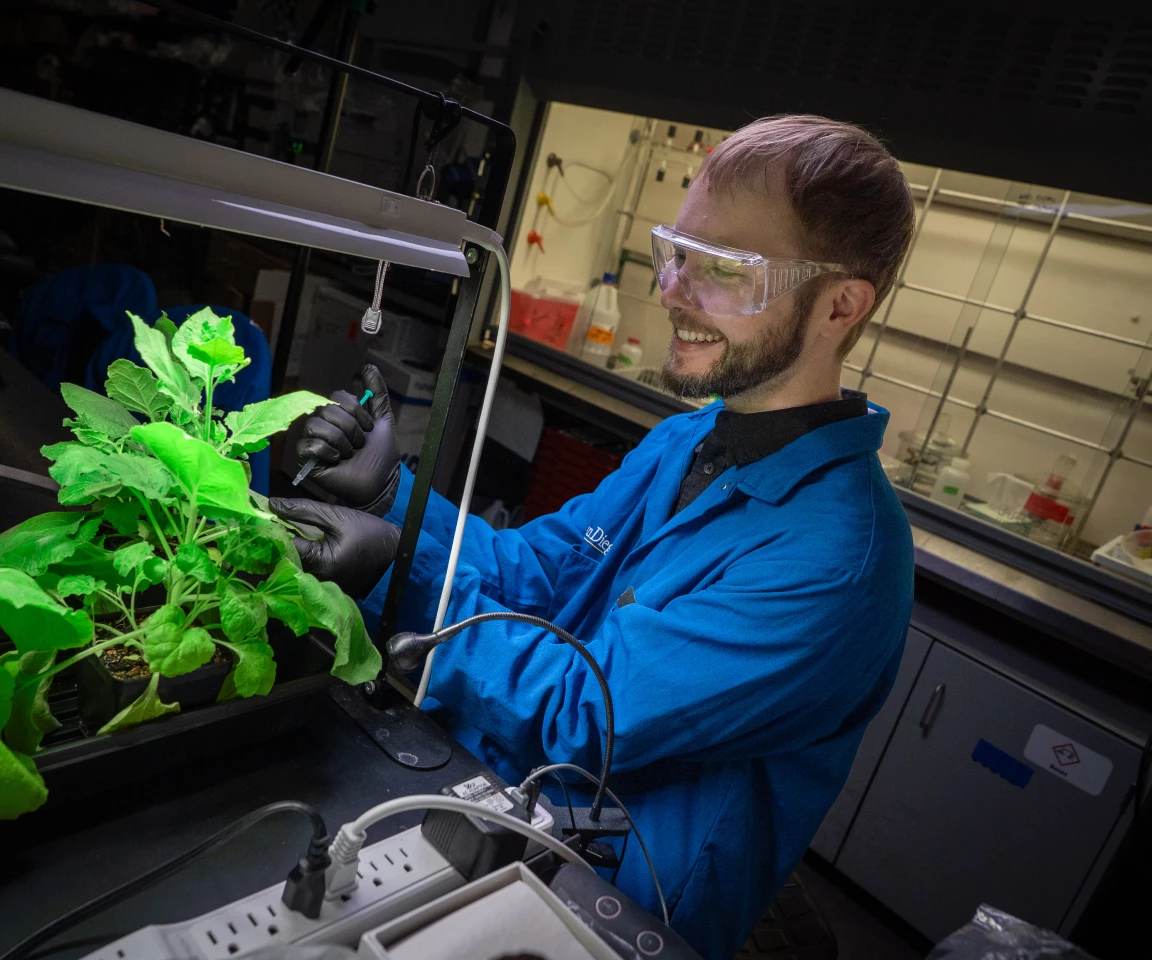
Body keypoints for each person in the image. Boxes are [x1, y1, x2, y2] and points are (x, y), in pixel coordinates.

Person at [270, 115, 918, 960]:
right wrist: (399, 500)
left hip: (612, 903)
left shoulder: (837, 561)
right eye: (675, 253)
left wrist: (399, 572)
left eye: (724, 270)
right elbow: (536, 574)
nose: (674, 292)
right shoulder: (690, 439)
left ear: (840, 305)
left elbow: (589, 714)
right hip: (499, 796)